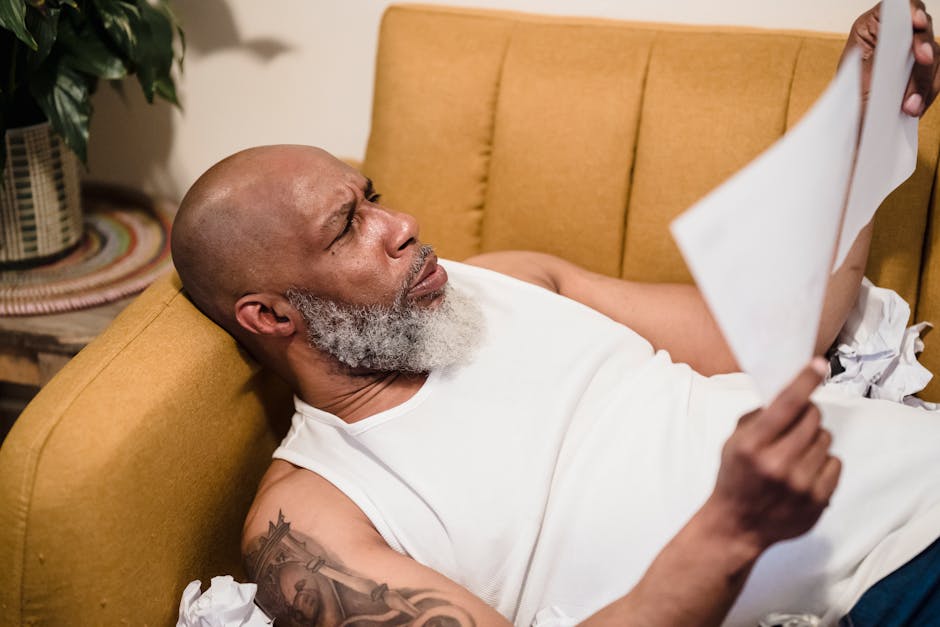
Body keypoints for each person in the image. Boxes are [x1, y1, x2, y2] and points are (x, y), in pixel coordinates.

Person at [170, 3, 940, 626]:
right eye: (347, 227)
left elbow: (782, 332)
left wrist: (859, 115)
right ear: (269, 314)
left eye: (370, 196)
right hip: (890, 580)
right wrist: (730, 528)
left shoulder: (500, 279)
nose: (399, 222)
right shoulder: (309, 523)